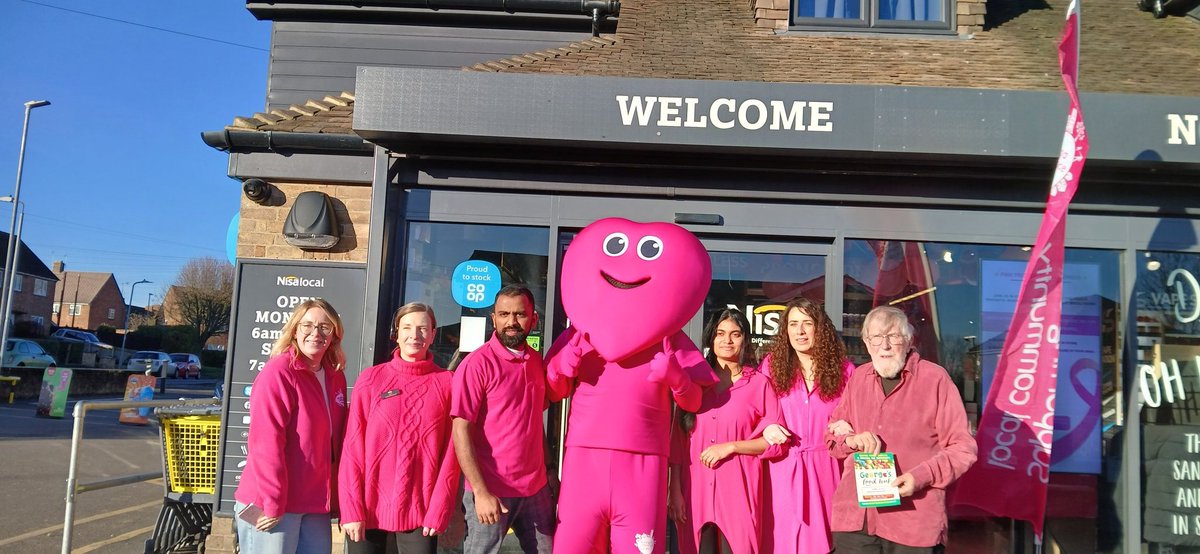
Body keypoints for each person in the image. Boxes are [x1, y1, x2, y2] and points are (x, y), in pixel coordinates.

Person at [826, 305, 977, 552]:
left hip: (912, 524)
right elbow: (832, 436)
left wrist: (919, 477)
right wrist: (852, 440)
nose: (884, 345)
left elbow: (963, 448)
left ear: (908, 341)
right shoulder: (858, 379)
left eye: (893, 336)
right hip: (855, 521)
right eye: (876, 337)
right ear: (866, 342)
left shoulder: (935, 379)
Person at [339, 303, 461, 553]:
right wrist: (350, 508)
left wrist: (440, 509)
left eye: (422, 329)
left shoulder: (447, 384)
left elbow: (452, 456)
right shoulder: (371, 379)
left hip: (421, 514)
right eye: (407, 327)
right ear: (396, 333)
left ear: (433, 334)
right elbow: (351, 450)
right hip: (367, 512)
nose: (414, 335)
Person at [234, 298, 348, 554]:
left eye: (325, 327)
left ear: (334, 334)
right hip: (270, 503)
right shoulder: (279, 373)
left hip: (315, 503)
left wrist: (339, 498)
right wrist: (273, 502)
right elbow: (266, 443)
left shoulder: (335, 376)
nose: (315, 333)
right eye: (307, 325)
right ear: (294, 330)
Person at [451, 284, 555, 554]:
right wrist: (480, 492)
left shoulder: (535, 362)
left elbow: (532, 421)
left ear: (534, 319)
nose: (511, 322)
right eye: (504, 314)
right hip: (492, 488)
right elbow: (460, 430)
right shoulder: (477, 364)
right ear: (493, 318)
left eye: (520, 314)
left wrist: (550, 470)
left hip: (535, 488)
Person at [667, 308, 781, 554]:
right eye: (720, 333)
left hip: (739, 491)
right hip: (694, 489)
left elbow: (773, 442)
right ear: (711, 338)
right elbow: (677, 444)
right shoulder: (694, 383)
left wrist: (732, 446)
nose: (727, 341)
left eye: (735, 334)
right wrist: (674, 490)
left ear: (745, 340)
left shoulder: (759, 384)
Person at [758, 297, 854, 554]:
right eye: (793, 324)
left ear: (819, 328)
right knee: (781, 540)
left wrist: (849, 423)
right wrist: (767, 426)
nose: (799, 331)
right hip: (782, 469)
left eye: (807, 323)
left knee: (828, 540)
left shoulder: (845, 370)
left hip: (828, 469)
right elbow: (757, 412)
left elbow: (859, 414)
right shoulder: (770, 367)